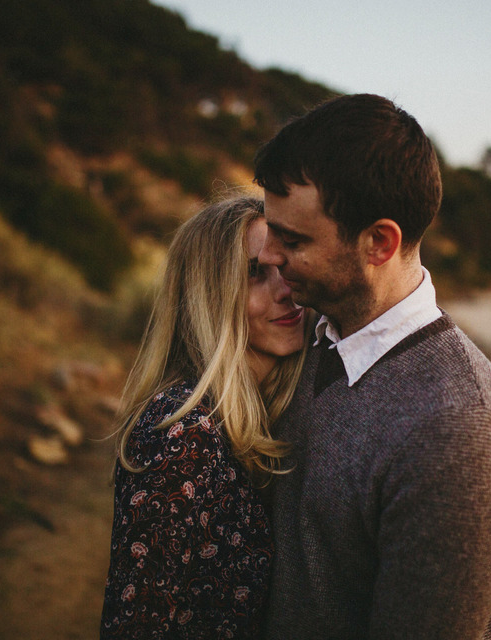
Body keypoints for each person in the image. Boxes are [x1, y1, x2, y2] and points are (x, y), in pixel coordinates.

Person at [254, 94, 491, 639]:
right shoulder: (306, 341)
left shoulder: (457, 430)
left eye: (293, 239)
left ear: (379, 242)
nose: (268, 255)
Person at [100, 197, 308, 639]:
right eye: (254, 273)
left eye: (285, 266)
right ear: (208, 296)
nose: (286, 288)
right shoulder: (183, 432)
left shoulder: (273, 414)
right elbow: (138, 623)